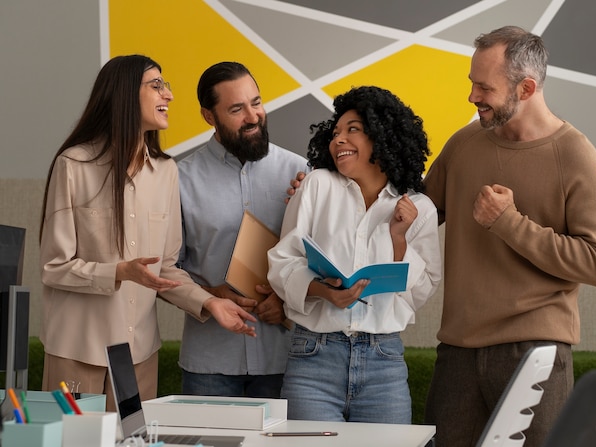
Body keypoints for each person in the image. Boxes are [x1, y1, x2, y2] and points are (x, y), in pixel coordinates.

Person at [422, 26, 596, 447]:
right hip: (456, 352)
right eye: (471, 83)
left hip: (536, 354)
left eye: (483, 87)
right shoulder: (463, 144)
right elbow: (416, 213)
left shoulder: (575, 154)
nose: (472, 97)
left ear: (526, 87)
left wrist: (509, 223)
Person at [39, 55, 256, 412]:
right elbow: (54, 266)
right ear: (123, 94)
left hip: (138, 354)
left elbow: (166, 268)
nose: (168, 94)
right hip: (76, 351)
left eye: (166, 85)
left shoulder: (167, 171)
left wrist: (210, 302)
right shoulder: (73, 165)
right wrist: (120, 271)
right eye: (156, 85)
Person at [267, 85, 442, 423]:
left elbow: (420, 293)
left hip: (384, 363)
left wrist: (398, 239)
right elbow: (282, 261)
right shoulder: (317, 185)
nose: (338, 140)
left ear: (382, 136)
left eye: (353, 130)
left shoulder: (419, 209)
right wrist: (323, 291)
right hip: (313, 358)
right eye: (335, 133)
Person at [176, 61, 309, 398]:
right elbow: (166, 268)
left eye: (256, 102)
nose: (253, 116)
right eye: (237, 109)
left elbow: (321, 257)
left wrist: (287, 301)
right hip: (210, 363)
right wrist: (209, 297)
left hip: (286, 359)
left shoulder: (302, 172)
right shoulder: (180, 179)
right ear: (209, 116)